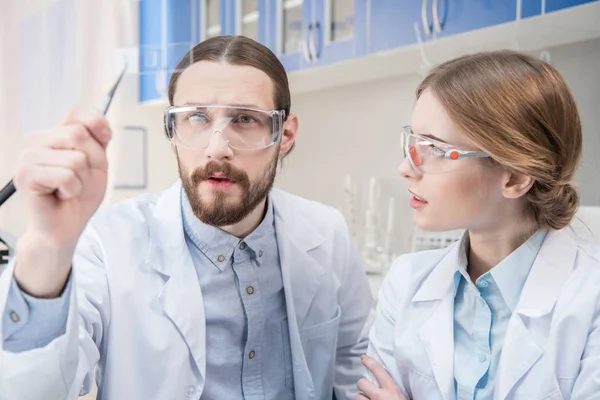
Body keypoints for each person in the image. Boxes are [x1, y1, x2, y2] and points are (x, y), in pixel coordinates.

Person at [0, 36, 374, 400]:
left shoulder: (328, 234)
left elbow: (355, 374)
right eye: (196, 117)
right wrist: (47, 247)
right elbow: (30, 389)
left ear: (285, 134)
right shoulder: (107, 244)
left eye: (245, 119)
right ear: (172, 129)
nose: (216, 148)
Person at [356, 50, 600, 400]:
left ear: (515, 177)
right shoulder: (406, 282)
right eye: (415, 142)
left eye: (436, 148)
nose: (406, 168)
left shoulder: (591, 299)